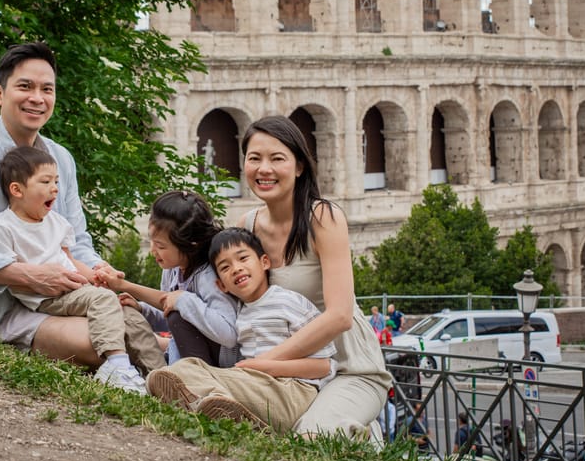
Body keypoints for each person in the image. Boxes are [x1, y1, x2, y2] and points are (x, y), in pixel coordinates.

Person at [0, 41, 152, 374]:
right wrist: (29, 276)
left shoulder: (61, 159)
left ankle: (191, 370)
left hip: (59, 302)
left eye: (47, 89)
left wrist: (100, 274)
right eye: (25, 86)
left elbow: (76, 244)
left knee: (129, 323)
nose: (37, 97)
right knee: (104, 339)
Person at [238, 115, 392, 438]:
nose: (263, 169)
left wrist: (264, 362)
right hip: (293, 371)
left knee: (311, 437)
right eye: (254, 158)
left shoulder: (323, 217)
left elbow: (339, 316)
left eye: (276, 158)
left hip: (349, 367)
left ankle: (362, 435)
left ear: (299, 166)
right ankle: (363, 437)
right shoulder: (247, 226)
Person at [0, 146, 163, 392]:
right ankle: (117, 364)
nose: (55, 188)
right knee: (103, 300)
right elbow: (8, 273)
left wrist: (96, 275)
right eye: (45, 181)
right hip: (46, 298)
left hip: (76, 290)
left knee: (128, 313)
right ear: (17, 189)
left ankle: (159, 375)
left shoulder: (56, 222)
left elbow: (69, 259)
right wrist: (39, 279)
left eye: (56, 181)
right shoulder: (5, 228)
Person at [146, 227, 337, 433]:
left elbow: (325, 366)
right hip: (253, 387)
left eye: (243, 258)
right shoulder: (239, 314)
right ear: (221, 285)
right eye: (225, 267)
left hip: (291, 393)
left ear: (264, 262)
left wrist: (265, 367)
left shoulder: (288, 302)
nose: (236, 268)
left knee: (189, 375)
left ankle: (214, 404)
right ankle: (219, 408)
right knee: (180, 370)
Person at [96, 190, 240, 367]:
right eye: (152, 242)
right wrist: (143, 309)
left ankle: (189, 378)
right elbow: (173, 316)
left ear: (190, 246)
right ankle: (165, 369)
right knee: (140, 314)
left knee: (178, 316)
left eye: (161, 246)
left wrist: (184, 300)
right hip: (185, 353)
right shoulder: (172, 270)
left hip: (219, 363)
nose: (152, 250)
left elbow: (230, 334)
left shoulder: (209, 276)